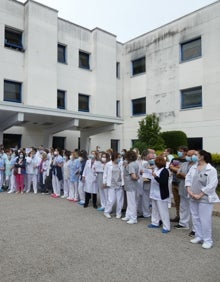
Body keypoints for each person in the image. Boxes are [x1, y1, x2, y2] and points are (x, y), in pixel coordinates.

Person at [185, 150, 219, 249]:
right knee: (195, 217)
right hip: (192, 196)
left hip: (205, 198)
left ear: (202, 156)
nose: (193, 157)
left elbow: (212, 184)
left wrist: (200, 194)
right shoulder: (194, 167)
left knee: (205, 220)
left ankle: (208, 240)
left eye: (196, 155)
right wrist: (189, 191)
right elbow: (188, 178)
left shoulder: (211, 169)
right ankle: (199, 236)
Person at [174, 150, 197, 230]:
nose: (188, 157)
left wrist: (183, 175)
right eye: (187, 155)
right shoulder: (184, 164)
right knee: (183, 206)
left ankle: (196, 228)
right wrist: (183, 175)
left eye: (190, 155)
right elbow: (178, 173)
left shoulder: (198, 165)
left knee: (194, 209)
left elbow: (192, 177)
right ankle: (183, 223)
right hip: (182, 187)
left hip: (193, 189)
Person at [148, 156, 170, 233]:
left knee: (163, 211)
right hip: (154, 193)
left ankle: (166, 226)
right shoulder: (156, 169)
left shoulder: (165, 171)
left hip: (161, 194)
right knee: (155, 209)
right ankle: (155, 222)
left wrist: (155, 177)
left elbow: (163, 182)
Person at [169, 145, 188, 222]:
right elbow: (170, 167)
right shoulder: (175, 159)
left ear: (185, 152)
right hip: (174, 182)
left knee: (184, 202)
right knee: (177, 202)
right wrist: (177, 169)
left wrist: (175, 168)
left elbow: (185, 172)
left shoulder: (187, 161)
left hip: (182, 184)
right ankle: (178, 216)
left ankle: (184, 219)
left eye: (181, 151)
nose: (179, 152)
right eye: (178, 151)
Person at [103, 152, 124, 219]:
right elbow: (105, 174)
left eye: (120, 157)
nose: (119, 159)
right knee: (111, 199)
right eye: (118, 157)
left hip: (119, 184)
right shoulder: (108, 164)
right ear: (114, 157)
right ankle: (107, 212)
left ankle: (119, 213)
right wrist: (104, 182)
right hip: (111, 184)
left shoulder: (121, 164)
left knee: (119, 200)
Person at [122, 150, 139, 224]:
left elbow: (134, 176)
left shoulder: (131, 165)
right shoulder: (134, 163)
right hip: (130, 185)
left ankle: (133, 218)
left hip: (130, 185)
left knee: (132, 202)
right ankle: (128, 215)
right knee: (130, 202)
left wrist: (137, 177)